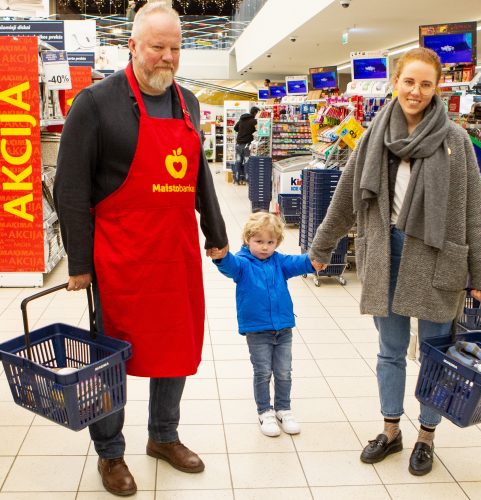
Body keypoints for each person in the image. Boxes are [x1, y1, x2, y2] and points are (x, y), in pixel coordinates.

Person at [54, 2, 228, 496]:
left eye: (175, 48)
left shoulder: (188, 103)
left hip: (174, 256)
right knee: (111, 358)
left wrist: (215, 234)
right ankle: (110, 454)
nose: (167, 57)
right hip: (118, 259)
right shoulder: (95, 104)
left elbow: (199, 176)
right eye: (157, 47)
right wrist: (81, 264)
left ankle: (163, 436)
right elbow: (70, 190)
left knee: (173, 350)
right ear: (132, 46)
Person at [309, 47, 481, 476]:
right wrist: (321, 248)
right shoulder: (376, 135)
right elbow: (346, 197)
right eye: (409, 81)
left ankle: (427, 436)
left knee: (434, 353)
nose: (416, 91)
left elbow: (474, 213)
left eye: (425, 84)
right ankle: (391, 431)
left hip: (436, 258)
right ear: (396, 82)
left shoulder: (455, 141)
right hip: (385, 253)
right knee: (390, 351)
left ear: (437, 88)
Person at [209, 212, 323, 437]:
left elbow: (299, 263)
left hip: (283, 329)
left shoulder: (279, 262)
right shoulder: (242, 264)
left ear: (277, 243)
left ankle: (283, 408)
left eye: (270, 242)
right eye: (258, 241)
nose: (264, 247)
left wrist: (314, 260)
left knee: (284, 371)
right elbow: (228, 265)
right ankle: (265, 411)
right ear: (247, 240)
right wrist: (220, 257)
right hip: (257, 331)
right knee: (262, 372)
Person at [233, 106, 259, 184]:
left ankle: (237, 179)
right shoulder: (254, 121)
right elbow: (257, 131)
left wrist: (242, 130)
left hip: (238, 144)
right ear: (255, 113)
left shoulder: (241, 119)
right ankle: (247, 180)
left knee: (238, 162)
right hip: (247, 144)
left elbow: (235, 128)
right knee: (247, 162)